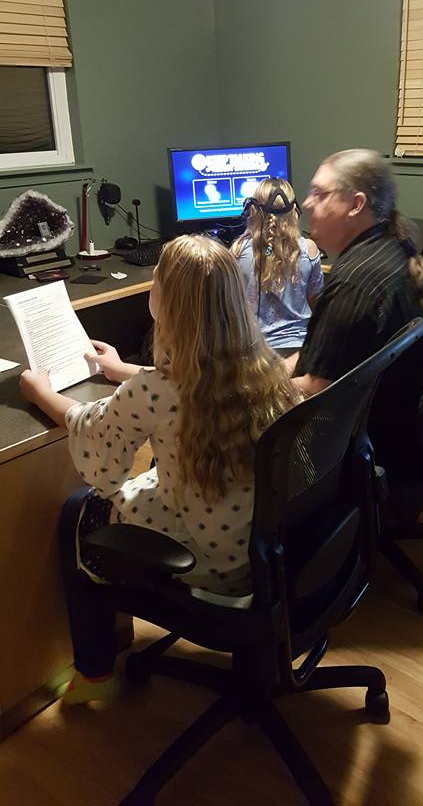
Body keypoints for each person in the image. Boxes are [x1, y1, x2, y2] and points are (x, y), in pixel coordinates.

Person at [19, 235, 300, 704]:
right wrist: (122, 370)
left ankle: (94, 674)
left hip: (211, 560)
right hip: (268, 546)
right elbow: (191, 386)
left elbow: (97, 442)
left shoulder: (154, 390)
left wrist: (41, 393)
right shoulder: (264, 364)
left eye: (155, 282)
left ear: (166, 304)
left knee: (78, 511)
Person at [290, 148, 423, 398]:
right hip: (399, 402)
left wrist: (248, 390)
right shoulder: (397, 247)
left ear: (356, 204)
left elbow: (315, 390)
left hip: (365, 418)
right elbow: (318, 358)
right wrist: (268, 373)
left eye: (319, 193)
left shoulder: (353, 285)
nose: (306, 203)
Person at [232, 177, 324, 357]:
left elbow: (232, 305)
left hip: (257, 354)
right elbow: (316, 304)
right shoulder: (310, 249)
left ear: (252, 209)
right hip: (301, 351)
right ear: (294, 210)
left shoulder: (238, 251)